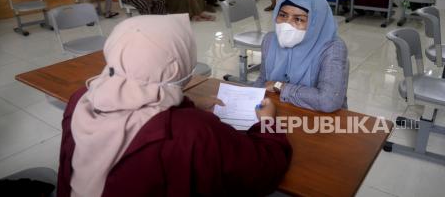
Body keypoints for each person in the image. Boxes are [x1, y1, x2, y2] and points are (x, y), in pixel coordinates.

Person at [57, 14, 292, 197]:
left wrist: (183, 104)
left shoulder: (81, 98)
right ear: (177, 64)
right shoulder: (189, 130)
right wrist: (268, 123)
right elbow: (263, 169)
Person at [253, 0, 348, 113]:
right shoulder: (270, 40)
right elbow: (263, 79)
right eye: (283, 15)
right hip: (275, 109)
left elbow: (328, 100)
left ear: (315, 23)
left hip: (319, 119)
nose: (287, 24)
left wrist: (280, 86)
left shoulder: (332, 48)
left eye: (298, 19)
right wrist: (249, 96)